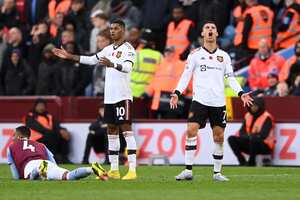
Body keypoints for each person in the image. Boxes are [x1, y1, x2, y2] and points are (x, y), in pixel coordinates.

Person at [52, 19, 137, 180]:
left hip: (123, 96)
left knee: (126, 130)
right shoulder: (108, 49)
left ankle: (132, 169)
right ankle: (114, 170)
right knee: (111, 131)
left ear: (123, 31)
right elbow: (91, 60)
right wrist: (70, 56)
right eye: (111, 28)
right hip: (110, 97)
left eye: (116, 28)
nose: (112, 31)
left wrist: (112, 64)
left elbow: (128, 67)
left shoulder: (128, 49)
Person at [170, 21, 253, 181]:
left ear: (216, 34)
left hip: (218, 102)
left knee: (219, 136)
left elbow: (231, 79)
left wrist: (241, 93)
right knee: (191, 130)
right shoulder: (194, 55)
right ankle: (188, 170)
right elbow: (185, 76)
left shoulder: (224, 57)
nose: (210, 30)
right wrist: (177, 92)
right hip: (199, 100)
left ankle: (217, 173)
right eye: (207, 28)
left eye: (213, 28)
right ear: (202, 34)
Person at [7, 126, 107, 180]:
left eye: (14, 135)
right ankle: (92, 169)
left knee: (31, 177)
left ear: (19, 136)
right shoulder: (41, 145)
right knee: (68, 176)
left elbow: (15, 174)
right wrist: (55, 170)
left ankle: (38, 170)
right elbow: (52, 160)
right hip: (47, 163)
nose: (12, 137)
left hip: (30, 166)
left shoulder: (11, 147)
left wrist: (18, 179)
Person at [228, 97, 275, 166]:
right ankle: (242, 162)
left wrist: (249, 137)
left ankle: (251, 162)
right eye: (251, 105)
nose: (253, 107)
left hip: (265, 146)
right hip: (250, 142)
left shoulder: (267, 117)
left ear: (260, 106)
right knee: (231, 139)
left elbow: (263, 135)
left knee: (254, 139)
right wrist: (248, 137)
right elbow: (242, 131)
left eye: (255, 106)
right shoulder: (248, 115)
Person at [25, 98, 71, 164]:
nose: (41, 108)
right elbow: (38, 128)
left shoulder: (49, 116)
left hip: (49, 135)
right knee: (53, 136)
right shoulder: (30, 116)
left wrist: (63, 130)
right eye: (39, 106)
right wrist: (57, 132)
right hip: (36, 139)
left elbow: (56, 126)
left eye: (43, 106)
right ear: (35, 106)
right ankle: (54, 158)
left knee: (63, 136)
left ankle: (64, 157)